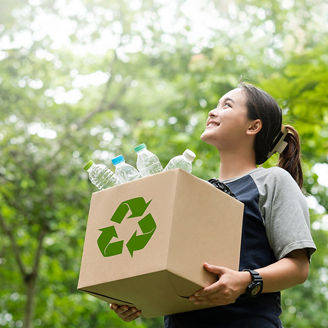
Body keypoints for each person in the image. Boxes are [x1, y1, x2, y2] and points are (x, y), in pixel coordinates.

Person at [110, 83, 316, 327]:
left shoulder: (272, 181)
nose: (212, 111)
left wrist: (244, 282)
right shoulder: (196, 191)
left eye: (226, 105)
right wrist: (136, 296)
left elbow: (298, 267)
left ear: (253, 126)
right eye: (215, 105)